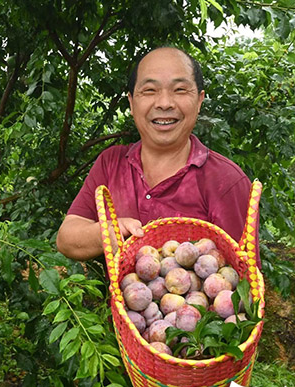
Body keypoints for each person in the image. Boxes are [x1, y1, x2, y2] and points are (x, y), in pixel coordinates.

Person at [56, 46, 257, 264]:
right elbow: (67, 238)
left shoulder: (226, 181)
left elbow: (244, 281)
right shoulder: (111, 163)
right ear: (132, 103)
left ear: (199, 101)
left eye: (180, 90)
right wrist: (110, 233)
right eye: (150, 90)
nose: (164, 103)